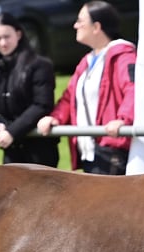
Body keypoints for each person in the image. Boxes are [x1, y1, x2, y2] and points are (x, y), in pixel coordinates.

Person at [36, 1, 136, 174]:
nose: (75, 25)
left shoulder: (123, 56)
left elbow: (134, 89)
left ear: (96, 26)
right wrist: (55, 118)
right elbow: (69, 98)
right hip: (90, 152)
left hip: (112, 151)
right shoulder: (87, 61)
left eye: (80, 21)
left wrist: (123, 120)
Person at [0, 12, 59, 167]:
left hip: (39, 150)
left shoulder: (39, 65)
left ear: (18, 34)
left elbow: (42, 104)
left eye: (7, 37)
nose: (2, 43)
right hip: (11, 150)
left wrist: (12, 132)